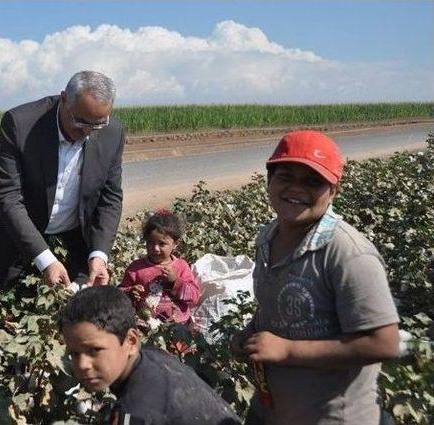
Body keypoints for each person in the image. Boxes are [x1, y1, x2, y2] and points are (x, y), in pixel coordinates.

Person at [231, 130, 400, 425]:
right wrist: (251, 333)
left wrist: (287, 350)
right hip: (271, 408)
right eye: (285, 176)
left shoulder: (347, 253)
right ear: (269, 181)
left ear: (333, 190)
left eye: (313, 181)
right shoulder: (267, 238)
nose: (296, 189)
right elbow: (276, 307)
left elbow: (383, 343)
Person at [0, 71, 125, 289]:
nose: (87, 131)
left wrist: (99, 254)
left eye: (97, 124)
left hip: (74, 244)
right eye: (80, 121)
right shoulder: (21, 125)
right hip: (18, 246)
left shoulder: (112, 132)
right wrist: (45, 259)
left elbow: (110, 197)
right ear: (64, 99)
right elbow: (8, 196)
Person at [59, 285, 241, 425]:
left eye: (95, 350)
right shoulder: (152, 356)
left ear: (131, 341)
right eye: (74, 353)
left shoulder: (136, 412)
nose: (82, 364)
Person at [119, 209, 200, 324]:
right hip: (145, 323)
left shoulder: (181, 266)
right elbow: (119, 294)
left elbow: (194, 297)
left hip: (177, 324)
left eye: (162, 244)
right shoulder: (136, 268)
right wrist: (130, 293)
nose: (155, 248)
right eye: (150, 243)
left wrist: (175, 282)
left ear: (175, 244)